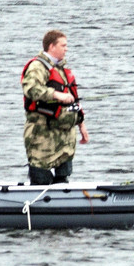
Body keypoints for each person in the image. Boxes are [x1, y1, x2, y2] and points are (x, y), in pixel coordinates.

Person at [21, 29, 90, 185]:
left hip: (65, 137)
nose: (66, 49)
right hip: (43, 134)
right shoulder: (37, 67)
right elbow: (31, 89)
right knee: (41, 177)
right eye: (63, 45)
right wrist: (57, 95)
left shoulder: (62, 69)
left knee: (63, 177)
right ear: (52, 46)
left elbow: (74, 99)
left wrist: (82, 125)